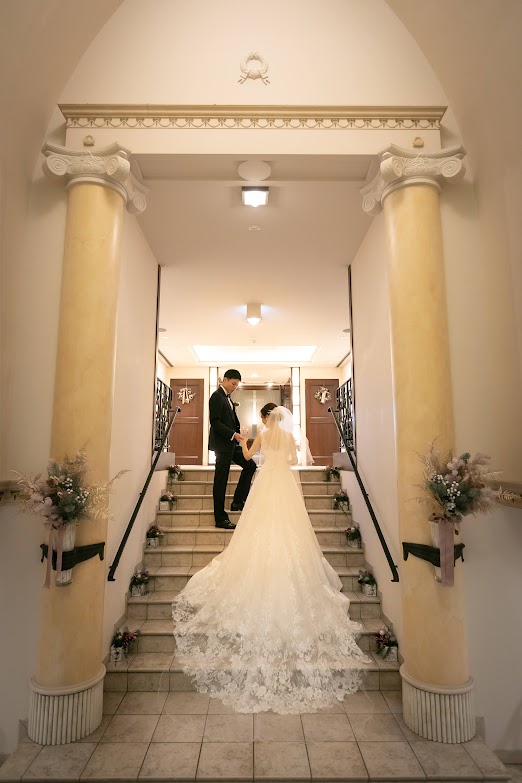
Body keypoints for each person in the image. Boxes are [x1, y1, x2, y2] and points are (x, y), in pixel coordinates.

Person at [172, 405, 368, 714]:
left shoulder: (263, 434)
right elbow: (292, 460)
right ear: (284, 419)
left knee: (260, 525)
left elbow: (249, 457)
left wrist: (244, 441)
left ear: (268, 419)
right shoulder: (288, 437)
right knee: (289, 526)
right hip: (285, 484)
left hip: (266, 484)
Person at [208, 369, 256, 529]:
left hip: (231, 445)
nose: (235, 387)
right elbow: (215, 422)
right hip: (222, 446)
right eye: (233, 384)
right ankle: (220, 518)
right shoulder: (216, 396)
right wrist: (233, 434)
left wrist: (237, 434)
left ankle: (237, 501)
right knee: (220, 481)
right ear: (225, 380)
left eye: (237, 385)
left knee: (250, 465)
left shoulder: (227, 398)